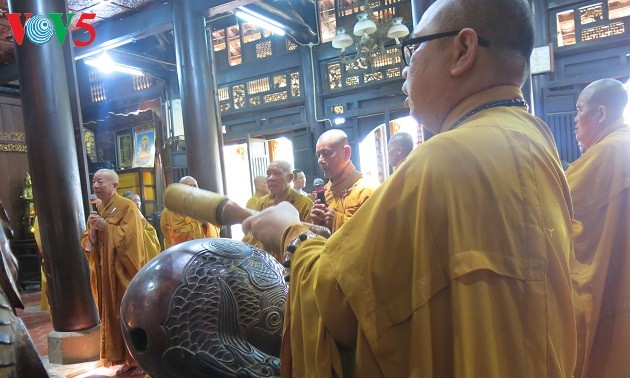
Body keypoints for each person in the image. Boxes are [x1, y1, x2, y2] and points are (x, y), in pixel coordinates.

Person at [242, 0, 578, 375]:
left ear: (463, 50)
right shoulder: (533, 137)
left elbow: (341, 302)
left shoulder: (444, 158)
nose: (405, 66)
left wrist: (291, 234)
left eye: (414, 47)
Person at [566, 78, 630, 378]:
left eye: (580, 110)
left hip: (613, 288)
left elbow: (555, 211)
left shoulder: (607, 153)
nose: (575, 119)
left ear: (601, 114)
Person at [80, 169, 147, 375]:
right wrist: (93, 230)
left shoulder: (127, 207)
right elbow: (88, 244)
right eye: (94, 182)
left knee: (130, 314)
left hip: (122, 273)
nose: (96, 186)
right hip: (105, 275)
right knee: (113, 315)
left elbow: (132, 239)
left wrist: (107, 228)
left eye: (100, 181)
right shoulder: (99, 208)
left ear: (115, 186)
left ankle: (141, 360)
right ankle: (125, 358)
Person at [310, 129, 378, 233]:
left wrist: (337, 220)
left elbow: (376, 231)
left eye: (327, 153)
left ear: (346, 152)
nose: (320, 160)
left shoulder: (368, 188)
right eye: (318, 155)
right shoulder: (325, 191)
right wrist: (317, 222)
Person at [242, 160, 312, 261]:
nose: (270, 178)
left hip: (291, 258)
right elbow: (251, 234)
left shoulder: (304, 203)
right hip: (264, 260)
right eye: (268, 174)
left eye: (277, 173)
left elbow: (308, 237)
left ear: (289, 178)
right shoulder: (262, 202)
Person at [160, 176, 221, 248]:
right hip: (180, 252)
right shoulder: (173, 209)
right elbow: (178, 235)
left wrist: (206, 224)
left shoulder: (203, 206)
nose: (193, 189)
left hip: (204, 249)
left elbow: (216, 228)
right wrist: (199, 222)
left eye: (195, 186)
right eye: (189, 186)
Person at [123, 191, 161, 261]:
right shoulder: (124, 215)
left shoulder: (139, 214)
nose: (137, 203)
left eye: (139, 200)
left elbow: (150, 230)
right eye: (134, 200)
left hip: (145, 246)